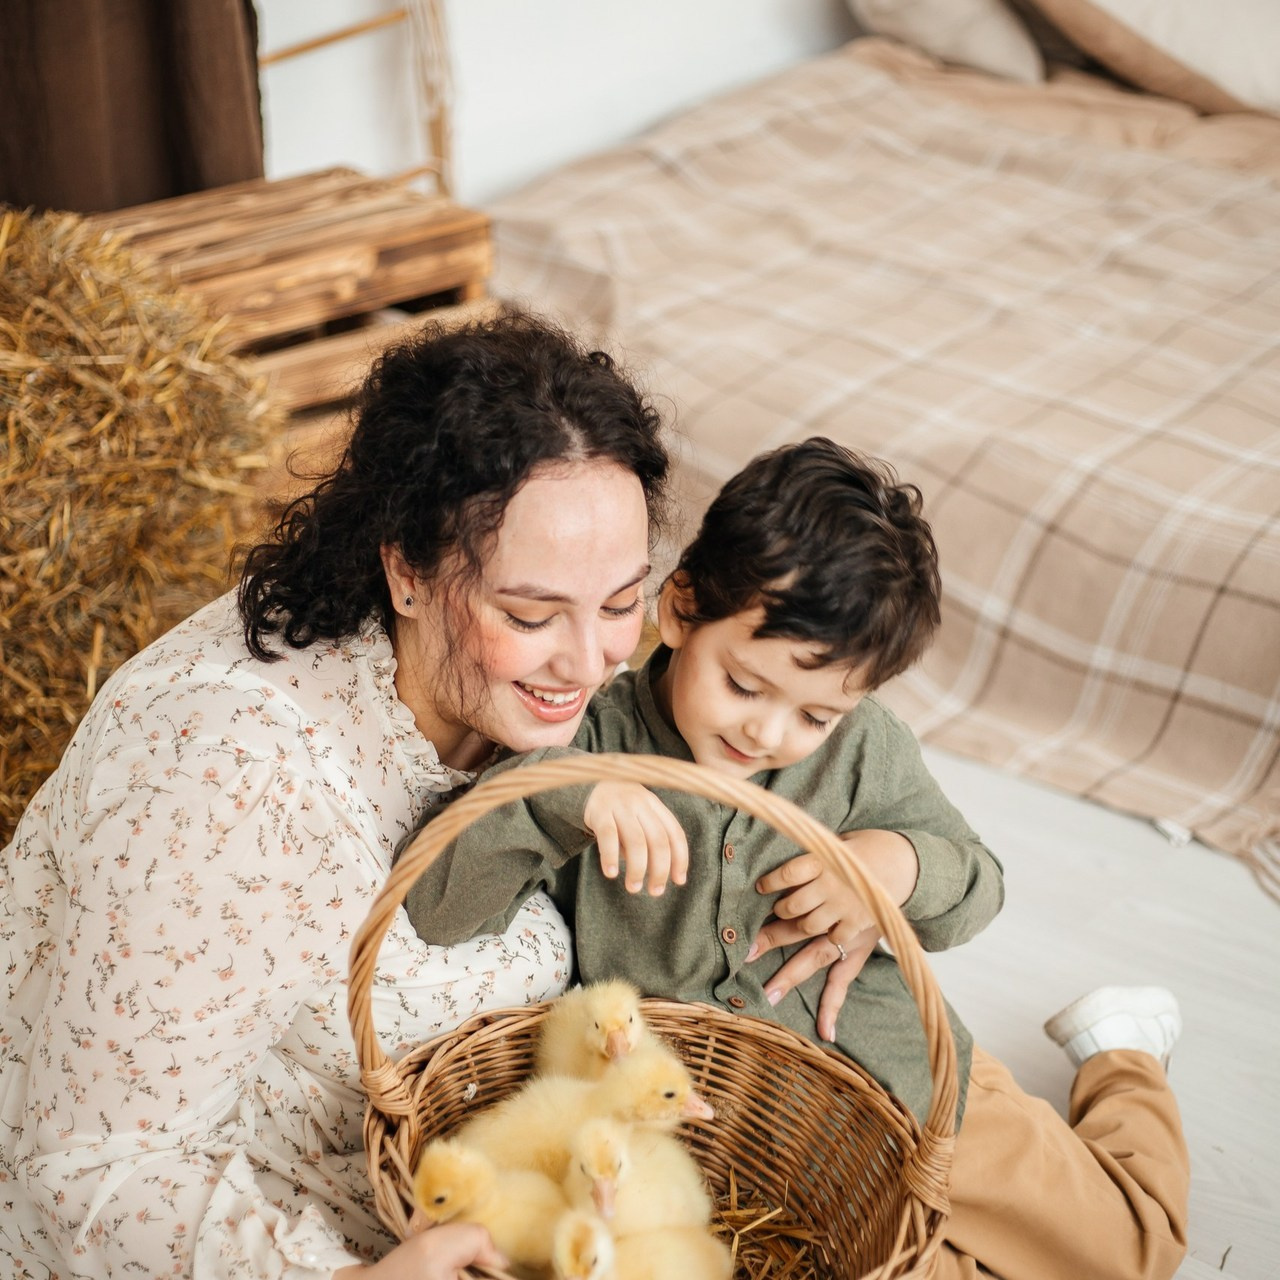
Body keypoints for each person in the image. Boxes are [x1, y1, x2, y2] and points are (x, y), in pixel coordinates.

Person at [403, 437, 1191, 1280]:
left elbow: (976, 886)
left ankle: (1121, 1051)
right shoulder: (590, 744)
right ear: (681, 610)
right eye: (744, 685)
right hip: (746, 1144)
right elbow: (436, 907)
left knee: (1124, 1254)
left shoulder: (859, 752)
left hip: (907, 1088)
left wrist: (892, 865)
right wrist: (571, 796)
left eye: (814, 715)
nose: (767, 733)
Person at [0, 310, 678, 1279]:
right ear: (403, 567)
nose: (588, 659)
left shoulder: (524, 697)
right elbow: (86, 1167)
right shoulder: (226, 774)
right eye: (529, 614)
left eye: (621, 601)